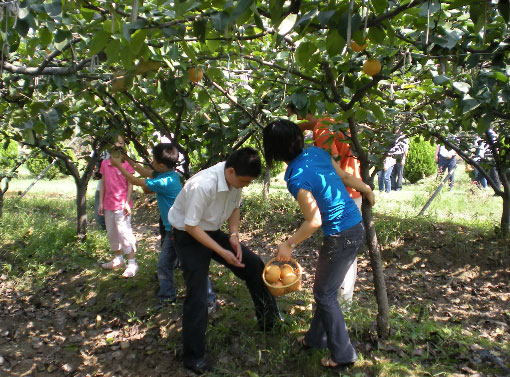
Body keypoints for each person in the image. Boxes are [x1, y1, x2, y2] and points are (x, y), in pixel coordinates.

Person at [263, 119, 375, 371]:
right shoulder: (316, 152)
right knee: (324, 290)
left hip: (341, 236)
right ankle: (316, 339)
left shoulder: (296, 176)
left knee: (324, 294)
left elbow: (314, 220)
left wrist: (288, 244)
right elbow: (345, 176)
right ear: (299, 139)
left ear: (274, 152)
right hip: (353, 228)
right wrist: (366, 189)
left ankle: (343, 354)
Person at [168, 147, 281, 374]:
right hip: (188, 235)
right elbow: (191, 226)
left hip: (210, 230)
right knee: (198, 294)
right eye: (244, 182)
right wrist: (221, 251)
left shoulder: (234, 180)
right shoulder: (203, 185)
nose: (245, 186)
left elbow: (235, 207)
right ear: (230, 171)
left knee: (254, 266)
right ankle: (194, 357)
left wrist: (234, 235)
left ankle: (269, 323)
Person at [110, 143, 217, 310]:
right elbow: (144, 171)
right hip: (172, 231)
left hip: (181, 232)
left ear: (160, 164)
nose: (150, 162)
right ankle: (167, 296)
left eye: (152, 159)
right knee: (164, 264)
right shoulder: (168, 175)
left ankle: (209, 298)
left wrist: (117, 165)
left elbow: (134, 180)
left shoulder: (164, 181)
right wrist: (127, 158)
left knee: (191, 265)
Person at [286, 104, 361, 308]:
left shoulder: (322, 127)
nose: (295, 125)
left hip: (342, 195)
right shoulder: (333, 120)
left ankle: (341, 305)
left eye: (293, 117)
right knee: (346, 254)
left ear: (302, 114)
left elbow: (331, 164)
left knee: (341, 255)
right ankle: (339, 304)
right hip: (351, 189)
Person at [99, 135, 138, 278]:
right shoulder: (105, 163)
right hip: (109, 204)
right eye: (117, 140)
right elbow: (103, 183)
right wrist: (101, 202)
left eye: (122, 141)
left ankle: (132, 263)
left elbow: (130, 184)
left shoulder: (127, 164)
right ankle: (117, 258)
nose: (120, 143)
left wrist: (127, 202)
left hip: (121, 205)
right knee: (112, 232)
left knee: (124, 233)